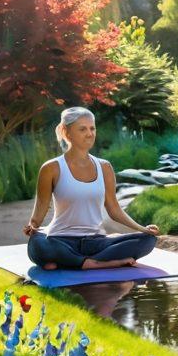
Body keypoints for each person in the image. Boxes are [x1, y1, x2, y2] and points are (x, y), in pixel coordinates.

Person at [24, 107, 160, 270]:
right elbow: (41, 206)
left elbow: (114, 209)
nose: (89, 133)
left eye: (92, 128)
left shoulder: (104, 167)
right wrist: (32, 225)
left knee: (147, 240)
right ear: (67, 133)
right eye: (82, 129)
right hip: (60, 239)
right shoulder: (51, 168)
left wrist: (143, 229)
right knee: (38, 244)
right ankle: (95, 262)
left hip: (95, 242)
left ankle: (76, 262)